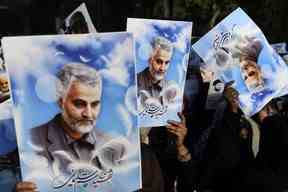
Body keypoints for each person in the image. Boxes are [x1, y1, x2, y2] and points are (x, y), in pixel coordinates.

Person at [29, 63, 127, 175]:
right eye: (79, 104)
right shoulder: (31, 141)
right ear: (60, 102)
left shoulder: (113, 146)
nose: (89, 114)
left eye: (95, 104)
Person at [137, 36, 178, 111]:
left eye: (167, 62)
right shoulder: (134, 83)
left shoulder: (172, 89)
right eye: (159, 61)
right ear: (149, 59)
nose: (163, 68)